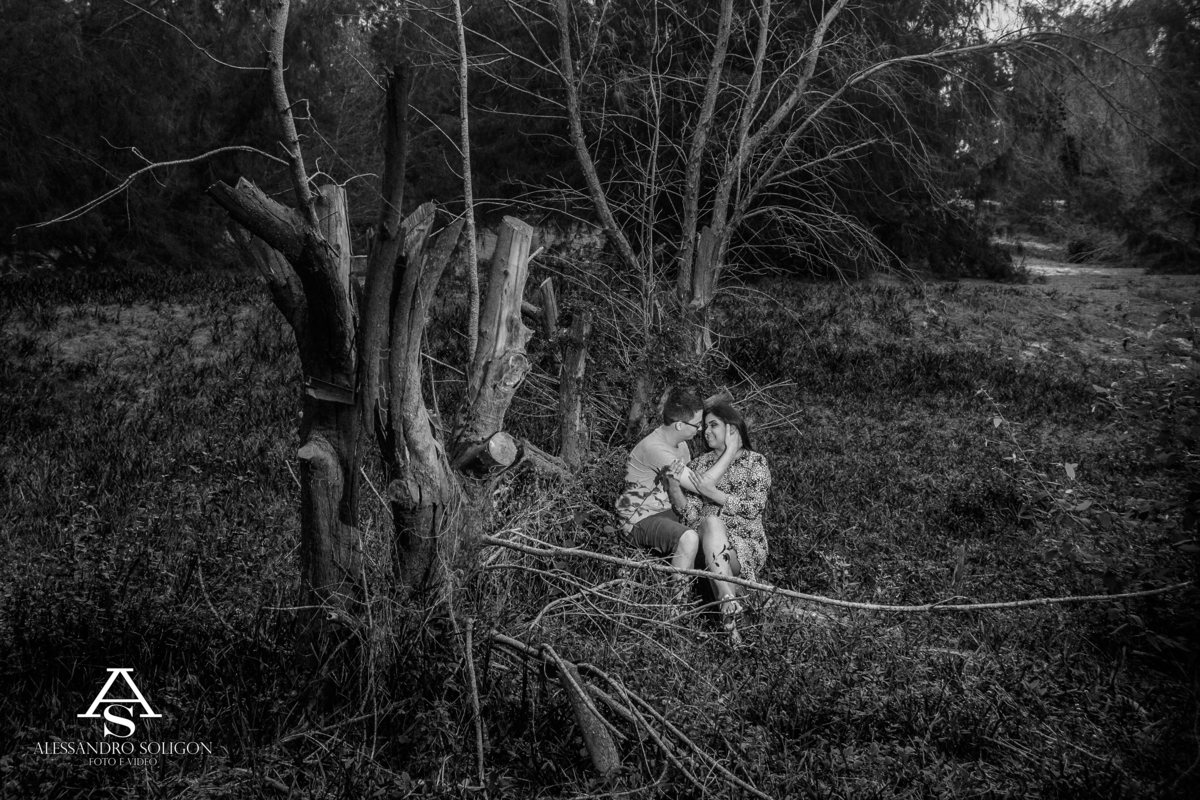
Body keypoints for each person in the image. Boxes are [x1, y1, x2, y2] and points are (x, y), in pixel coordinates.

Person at [667, 402, 771, 638]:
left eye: (714, 425)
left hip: (745, 542)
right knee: (710, 522)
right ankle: (728, 605)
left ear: (732, 428)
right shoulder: (698, 464)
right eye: (704, 426)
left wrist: (713, 494)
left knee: (713, 521)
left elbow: (754, 508)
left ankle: (728, 611)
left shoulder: (755, 462)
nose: (706, 431)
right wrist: (674, 489)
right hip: (705, 537)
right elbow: (692, 514)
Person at [614, 389, 705, 587]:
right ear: (680, 425)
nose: (700, 429)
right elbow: (700, 486)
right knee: (689, 538)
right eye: (697, 425)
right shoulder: (655, 449)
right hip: (638, 519)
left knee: (707, 526)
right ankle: (677, 607)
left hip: (663, 511)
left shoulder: (680, 444)